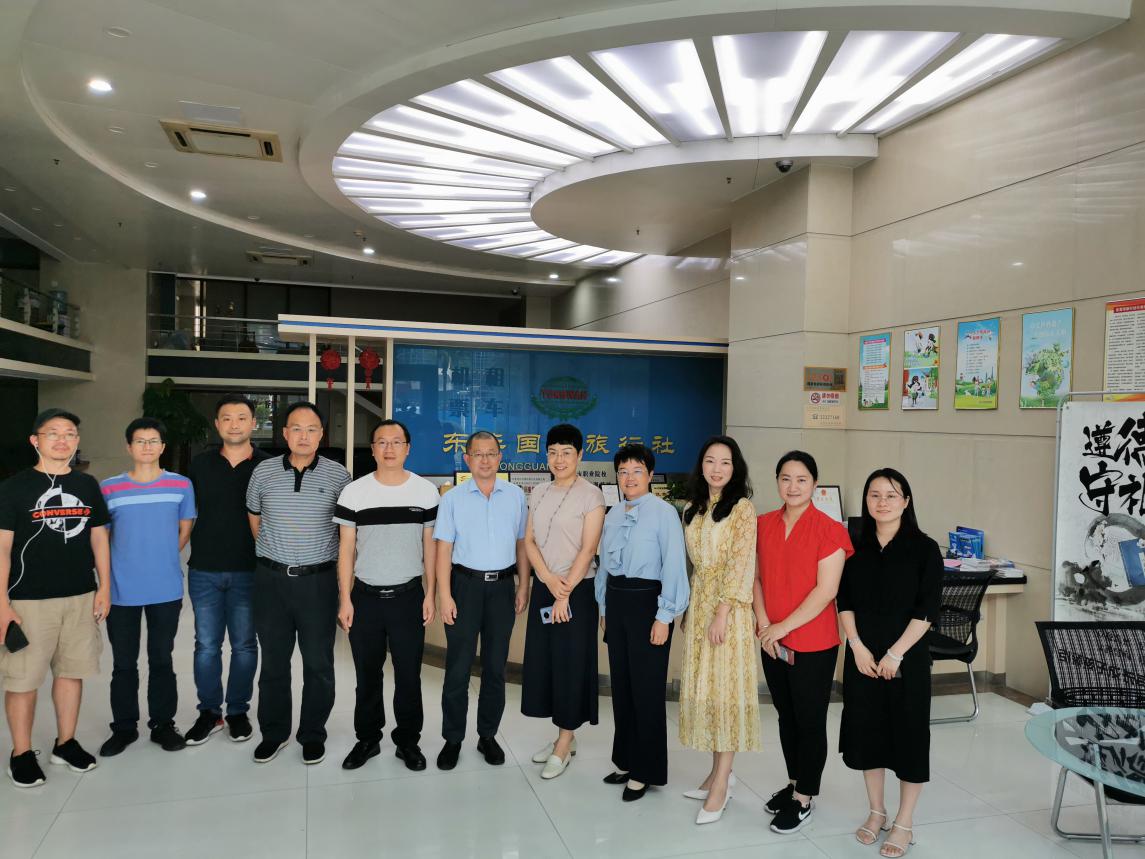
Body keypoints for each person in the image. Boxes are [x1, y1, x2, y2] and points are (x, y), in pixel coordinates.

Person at [0, 409, 109, 787]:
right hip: (27, 601)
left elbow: (99, 538)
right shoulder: (13, 488)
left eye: (70, 434)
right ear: (36, 440)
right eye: (53, 433)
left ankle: (66, 743)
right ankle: (21, 753)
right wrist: (1, 604)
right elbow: (2, 549)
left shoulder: (87, 485)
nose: (63, 440)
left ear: (77, 441)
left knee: (71, 672)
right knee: (23, 680)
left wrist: (104, 587)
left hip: (79, 596)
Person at [838, 468, 942, 858]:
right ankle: (877, 811)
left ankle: (904, 822)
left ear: (906, 501)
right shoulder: (856, 547)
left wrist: (896, 654)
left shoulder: (924, 549)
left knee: (909, 737)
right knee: (868, 734)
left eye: (891, 495)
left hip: (907, 660)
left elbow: (927, 608)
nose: (882, 502)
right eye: (875, 495)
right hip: (863, 658)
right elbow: (844, 600)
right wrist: (857, 647)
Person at [246, 401, 350, 766]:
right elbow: (255, 521)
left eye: (311, 429)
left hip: (318, 583)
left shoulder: (339, 476)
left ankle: (312, 734)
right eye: (296, 429)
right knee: (274, 662)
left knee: (318, 663)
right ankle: (274, 733)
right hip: (271, 581)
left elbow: (346, 535)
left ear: (322, 435)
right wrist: (279, 555)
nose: (303, 436)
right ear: (285, 433)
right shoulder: (263, 472)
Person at [755, 450, 853, 833]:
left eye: (801, 479)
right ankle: (794, 781)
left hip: (814, 644)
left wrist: (781, 628)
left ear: (814, 484)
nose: (792, 486)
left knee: (810, 720)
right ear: (777, 482)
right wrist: (765, 625)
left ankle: (804, 797)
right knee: (786, 716)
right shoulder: (763, 524)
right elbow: (755, 578)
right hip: (771, 640)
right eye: (785, 478)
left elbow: (826, 591)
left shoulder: (830, 530)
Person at [334, 419, 438, 772]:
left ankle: (408, 741)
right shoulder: (354, 492)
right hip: (365, 597)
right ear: (373, 449)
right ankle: (368, 738)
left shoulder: (425, 492)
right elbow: (346, 550)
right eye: (382, 442)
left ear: (408, 448)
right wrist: (345, 599)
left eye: (396, 442)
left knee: (409, 675)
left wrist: (431, 594)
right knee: (367, 674)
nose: (389, 448)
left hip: (409, 597)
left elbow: (430, 548)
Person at [98, 418, 196, 757]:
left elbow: (184, 531)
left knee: (162, 658)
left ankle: (163, 725)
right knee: (123, 663)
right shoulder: (109, 488)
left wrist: (161, 556)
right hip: (121, 590)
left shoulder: (180, 485)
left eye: (153, 441)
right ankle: (124, 728)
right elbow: (102, 539)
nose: (147, 446)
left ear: (162, 447)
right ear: (129, 447)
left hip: (165, 588)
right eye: (140, 441)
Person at [597, 443, 689, 802]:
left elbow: (674, 567)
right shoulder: (613, 514)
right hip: (617, 603)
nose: (629, 478)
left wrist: (664, 617)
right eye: (623, 471)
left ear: (650, 475)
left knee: (646, 691)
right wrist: (604, 608)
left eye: (637, 471)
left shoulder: (664, 513)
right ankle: (625, 759)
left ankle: (645, 770)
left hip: (649, 605)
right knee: (621, 687)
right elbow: (604, 566)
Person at [434, 430, 529, 770]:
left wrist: (523, 585)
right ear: (467, 459)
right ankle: (452, 738)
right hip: (465, 587)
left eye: (491, 453)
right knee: (457, 668)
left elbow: (522, 544)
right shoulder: (453, 499)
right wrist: (445, 595)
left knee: (495, 667)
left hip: (502, 588)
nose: (485, 460)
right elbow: (443, 550)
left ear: (500, 457)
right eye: (478, 454)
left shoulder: (516, 496)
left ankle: (487, 735)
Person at [678, 436, 760, 824]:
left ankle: (723, 784)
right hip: (700, 605)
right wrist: (690, 610)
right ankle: (715, 773)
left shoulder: (742, 509)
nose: (717, 468)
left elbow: (742, 564)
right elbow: (692, 565)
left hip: (728, 610)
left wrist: (722, 612)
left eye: (725, 462)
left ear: (735, 468)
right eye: (710, 461)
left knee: (726, 692)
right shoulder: (691, 509)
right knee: (708, 692)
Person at [183, 393, 268, 746]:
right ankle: (209, 712)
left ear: (254, 423)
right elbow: (185, 515)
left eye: (242, 417)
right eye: (227, 418)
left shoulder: (267, 466)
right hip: (204, 569)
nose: (234, 424)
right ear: (217, 425)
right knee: (206, 645)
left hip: (250, 570)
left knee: (245, 645)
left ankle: (236, 712)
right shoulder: (200, 465)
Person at [521, 424, 605, 780]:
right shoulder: (539, 491)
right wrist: (547, 579)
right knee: (548, 664)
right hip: (547, 586)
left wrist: (565, 592)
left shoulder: (591, 495)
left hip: (577, 591)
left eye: (567, 452)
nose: (559, 459)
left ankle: (565, 742)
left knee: (571, 666)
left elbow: (588, 548)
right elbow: (529, 540)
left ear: (580, 455)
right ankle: (562, 737)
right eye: (553, 452)